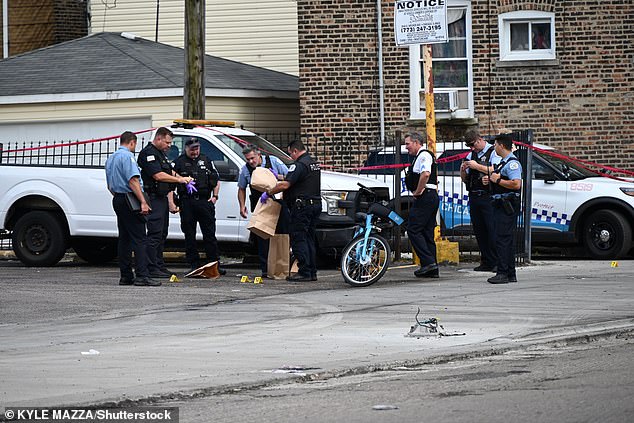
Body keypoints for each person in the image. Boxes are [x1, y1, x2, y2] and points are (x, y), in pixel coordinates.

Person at [104, 131, 160, 287]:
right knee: (140, 238)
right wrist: (142, 201)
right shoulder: (127, 157)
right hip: (130, 199)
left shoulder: (111, 159)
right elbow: (133, 180)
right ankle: (142, 275)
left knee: (124, 239)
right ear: (132, 143)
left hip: (118, 199)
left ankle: (126, 275)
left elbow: (109, 185)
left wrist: (119, 197)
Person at [137, 127, 193, 278]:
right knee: (154, 233)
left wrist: (183, 178)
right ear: (159, 138)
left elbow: (168, 171)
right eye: (167, 142)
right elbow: (158, 175)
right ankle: (150, 267)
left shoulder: (161, 154)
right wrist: (179, 180)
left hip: (161, 198)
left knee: (162, 233)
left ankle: (159, 265)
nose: (170, 145)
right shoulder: (148, 153)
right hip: (153, 197)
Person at [267, 140, 321, 282]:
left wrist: (270, 192)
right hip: (314, 204)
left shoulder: (299, 165)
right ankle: (311, 271)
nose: (290, 156)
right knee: (309, 238)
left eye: (290, 153)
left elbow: (285, 184)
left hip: (302, 207)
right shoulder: (313, 163)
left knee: (299, 238)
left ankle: (304, 271)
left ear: (295, 151)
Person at [173, 138, 226, 274]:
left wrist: (215, 196)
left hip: (204, 202)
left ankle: (214, 264)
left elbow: (215, 180)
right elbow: (171, 178)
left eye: (197, 148)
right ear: (186, 148)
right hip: (187, 202)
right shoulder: (179, 162)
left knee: (209, 234)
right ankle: (194, 264)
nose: (195, 151)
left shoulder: (206, 160)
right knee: (189, 234)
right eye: (192, 149)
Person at [237, 146, 289, 277]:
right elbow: (241, 188)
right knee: (262, 237)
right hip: (261, 206)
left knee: (281, 235)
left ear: (258, 155)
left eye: (252, 158)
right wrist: (242, 206)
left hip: (278, 204)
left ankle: (281, 267)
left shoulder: (273, 161)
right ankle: (266, 269)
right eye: (248, 159)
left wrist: (278, 176)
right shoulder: (245, 170)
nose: (250, 162)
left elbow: (289, 177)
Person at [482, 134, 523, 284]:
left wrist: (498, 180)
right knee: (506, 239)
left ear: (502, 146)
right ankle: (510, 273)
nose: (494, 147)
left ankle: (503, 272)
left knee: (502, 239)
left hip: (507, 205)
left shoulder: (512, 164)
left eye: (496, 144)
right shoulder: (503, 163)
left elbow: (516, 184)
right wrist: (491, 180)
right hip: (501, 204)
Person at [460, 129, 500, 272]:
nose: (471, 148)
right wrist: (463, 170)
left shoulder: (493, 152)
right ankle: (486, 261)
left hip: (488, 196)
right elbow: (465, 179)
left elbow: (495, 169)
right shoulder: (471, 155)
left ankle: (496, 262)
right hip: (474, 195)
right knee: (480, 230)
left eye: (472, 145)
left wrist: (476, 166)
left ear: (479, 140)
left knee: (492, 229)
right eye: (469, 146)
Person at [404, 132, 439, 278]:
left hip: (425, 197)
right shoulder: (419, 157)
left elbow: (425, 174)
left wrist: (418, 191)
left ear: (417, 142)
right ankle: (431, 268)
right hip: (429, 197)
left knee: (413, 229)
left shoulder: (424, 155)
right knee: (426, 232)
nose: (406, 147)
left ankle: (428, 262)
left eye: (408, 144)